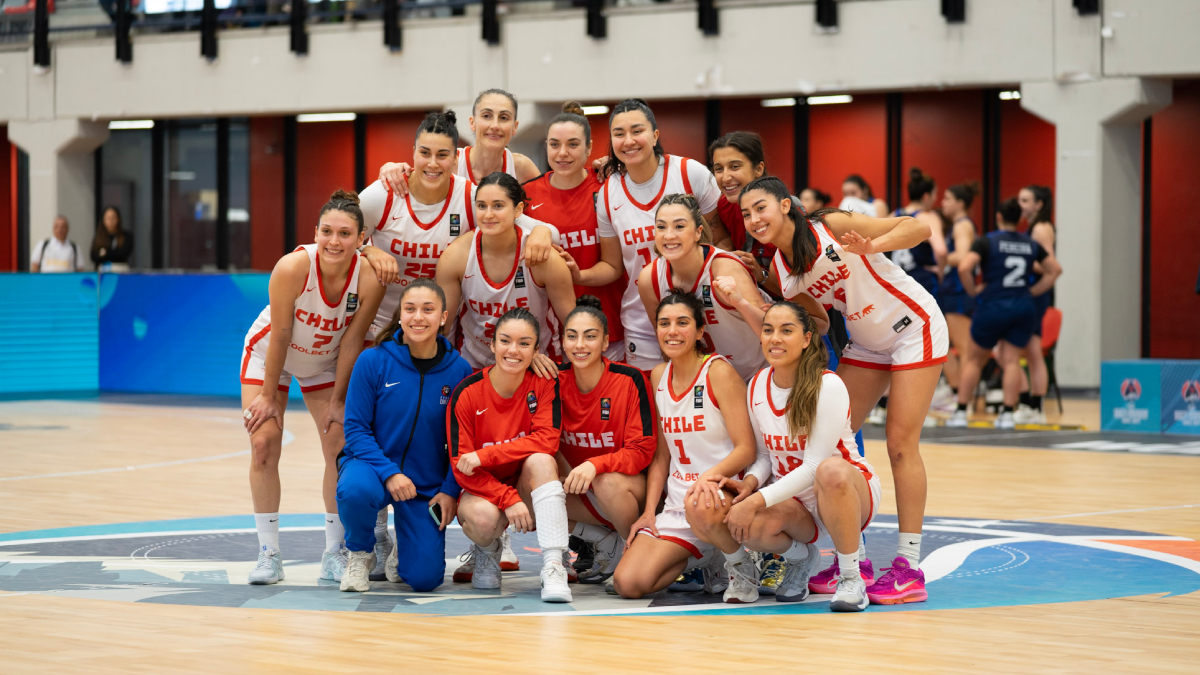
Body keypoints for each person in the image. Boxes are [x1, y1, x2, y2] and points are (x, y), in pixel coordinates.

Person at [742, 175, 947, 605]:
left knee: (900, 444)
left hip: (914, 326)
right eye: (746, 213)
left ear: (784, 206)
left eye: (760, 207)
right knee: (834, 439)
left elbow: (919, 227)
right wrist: (750, 303)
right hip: (868, 342)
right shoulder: (783, 271)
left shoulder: (829, 224)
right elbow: (814, 325)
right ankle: (855, 558)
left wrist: (875, 245)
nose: (754, 218)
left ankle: (909, 566)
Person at [240, 189, 385, 585]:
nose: (334, 241)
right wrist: (269, 396)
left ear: (361, 238)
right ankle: (269, 554)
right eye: (326, 232)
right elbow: (282, 333)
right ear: (315, 232)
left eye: (344, 233)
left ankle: (333, 553)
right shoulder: (292, 267)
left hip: (325, 361)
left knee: (338, 446)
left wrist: (339, 401)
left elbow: (354, 341)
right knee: (263, 442)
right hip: (271, 355)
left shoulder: (369, 277)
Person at [714, 301, 882, 609]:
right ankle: (801, 560)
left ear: (806, 339)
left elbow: (815, 465)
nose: (775, 338)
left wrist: (755, 501)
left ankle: (851, 579)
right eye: (768, 330)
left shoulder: (827, 384)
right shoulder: (757, 385)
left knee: (831, 469)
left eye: (786, 331)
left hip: (847, 491)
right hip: (796, 503)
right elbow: (766, 456)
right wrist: (750, 485)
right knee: (747, 526)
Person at [611, 292, 757, 600]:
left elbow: (746, 449)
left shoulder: (718, 372)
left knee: (700, 504)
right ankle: (706, 557)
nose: (672, 331)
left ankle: (741, 564)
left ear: (700, 332)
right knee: (628, 583)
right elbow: (663, 457)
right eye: (664, 323)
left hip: (719, 495)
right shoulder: (658, 375)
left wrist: (707, 478)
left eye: (682, 323)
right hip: (679, 504)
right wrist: (649, 512)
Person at [566, 99, 731, 372]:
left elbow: (722, 240)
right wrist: (579, 275)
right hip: (641, 322)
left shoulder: (691, 173)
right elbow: (613, 265)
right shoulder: (608, 191)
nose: (628, 140)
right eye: (619, 134)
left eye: (637, 131)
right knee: (652, 406)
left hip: (700, 312)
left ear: (655, 135)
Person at [335, 279, 473, 592]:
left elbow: (462, 441)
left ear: (443, 317)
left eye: (428, 309)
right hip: (372, 466)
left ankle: (403, 551)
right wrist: (390, 473)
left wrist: (450, 490)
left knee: (425, 579)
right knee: (355, 491)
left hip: (425, 483)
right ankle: (360, 553)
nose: (418, 317)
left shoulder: (459, 371)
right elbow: (355, 429)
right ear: (400, 315)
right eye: (410, 309)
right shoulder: (373, 361)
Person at [448, 308, 572, 602]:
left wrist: (486, 455)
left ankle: (554, 566)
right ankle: (488, 551)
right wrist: (508, 498)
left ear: (536, 350)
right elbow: (461, 466)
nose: (513, 350)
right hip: (484, 492)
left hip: (525, 485)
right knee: (481, 518)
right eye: (505, 341)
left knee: (543, 460)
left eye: (524, 343)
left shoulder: (542, 384)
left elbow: (547, 440)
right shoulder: (467, 392)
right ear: (491, 345)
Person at [557, 296, 657, 583]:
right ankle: (602, 540)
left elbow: (643, 449)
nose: (580, 345)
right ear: (562, 341)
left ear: (605, 342)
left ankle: (632, 550)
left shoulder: (630, 379)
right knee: (527, 482)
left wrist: (595, 465)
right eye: (572, 336)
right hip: (582, 494)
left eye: (590, 337)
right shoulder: (551, 379)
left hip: (625, 491)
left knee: (607, 481)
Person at [436, 172, 577, 369]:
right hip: (476, 363)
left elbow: (573, 325)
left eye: (498, 206)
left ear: (518, 209)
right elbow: (441, 327)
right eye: (482, 206)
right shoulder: (456, 256)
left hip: (537, 362)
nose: (488, 214)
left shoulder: (545, 258)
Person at [524, 102, 627, 362]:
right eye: (554, 144)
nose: (562, 153)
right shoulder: (527, 196)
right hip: (551, 334)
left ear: (589, 148)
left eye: (573, 144)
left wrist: (579, 274)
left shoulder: (608, 187)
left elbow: (614, 265)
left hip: (608, 325)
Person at [948, 198, 1061, 429]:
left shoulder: (987, 242)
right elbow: (1055, 270)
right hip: (1022, 307)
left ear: (998, 216)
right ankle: (1008, 414)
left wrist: (973, 291)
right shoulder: (1030, 243)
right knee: (1011, 361)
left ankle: (960, 412)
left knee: (974, 360)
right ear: (1019, 219)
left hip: (992, 305)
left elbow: (964, 267)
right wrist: (1032, 291)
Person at [638, 193, 769, 381]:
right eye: (661, 227)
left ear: (698, 232)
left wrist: (740, 303)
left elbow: (769, 331)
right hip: (708, 385)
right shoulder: (649, 279)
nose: (669, 235)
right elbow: (668, 344)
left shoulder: (725, 268)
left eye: (679, 226)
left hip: (757, 375)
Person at [866, 168, 946, 425]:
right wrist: (940, 269)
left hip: (892, 288)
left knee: (889, 345)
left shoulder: (895, 215)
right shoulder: (926, 216)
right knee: (921, 349)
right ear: (927, 195)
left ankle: (881, 405)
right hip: (919, 287)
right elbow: (941, 249)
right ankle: (925, 408)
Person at [708, 131, 777, 291]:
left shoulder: (784, 210)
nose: (725, 177)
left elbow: (803, 285)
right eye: (719, 169)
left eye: (735, 167)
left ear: (758, 169)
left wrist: (761, 275)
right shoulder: (724, 206)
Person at [1016, 184, 1057, 423]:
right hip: (1030, 297)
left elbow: (1050, 265)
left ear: (1038, 204)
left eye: (1025, 200)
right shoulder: (1034, 228)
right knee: (1029, 351)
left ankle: (1034, 405)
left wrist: (1023, 263)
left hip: (1034, 297)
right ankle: (1033, 406)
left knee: (1031, 352)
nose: (1021, 205)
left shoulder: (1041, 229)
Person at [938, 183, 979, 406]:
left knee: (964, 349)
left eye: (947, 199)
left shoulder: (962, 226)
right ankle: (956, 392)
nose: (943, 203)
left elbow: (962, 255)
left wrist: (939, 259)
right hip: (951, 292)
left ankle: (965, 401)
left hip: (958, 292)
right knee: (944, 347)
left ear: (960, 203)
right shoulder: (957, 225)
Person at [456, 89, 542, 184]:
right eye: (486, 116)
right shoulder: (452, 163)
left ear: (515, 127)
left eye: (503, 118)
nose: (495, 126)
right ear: (472, 123)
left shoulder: (521, 168)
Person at [90, 206, 134, 271]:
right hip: (103, 272)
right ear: (103, 220)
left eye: (113, 218)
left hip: (121, 271)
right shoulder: (99, 237)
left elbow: (123, 254)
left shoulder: (126, 236)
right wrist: (113, 253)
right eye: (107, 218)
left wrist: (105, 253)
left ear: (118, 219)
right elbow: (94, 256)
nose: (110, 221)